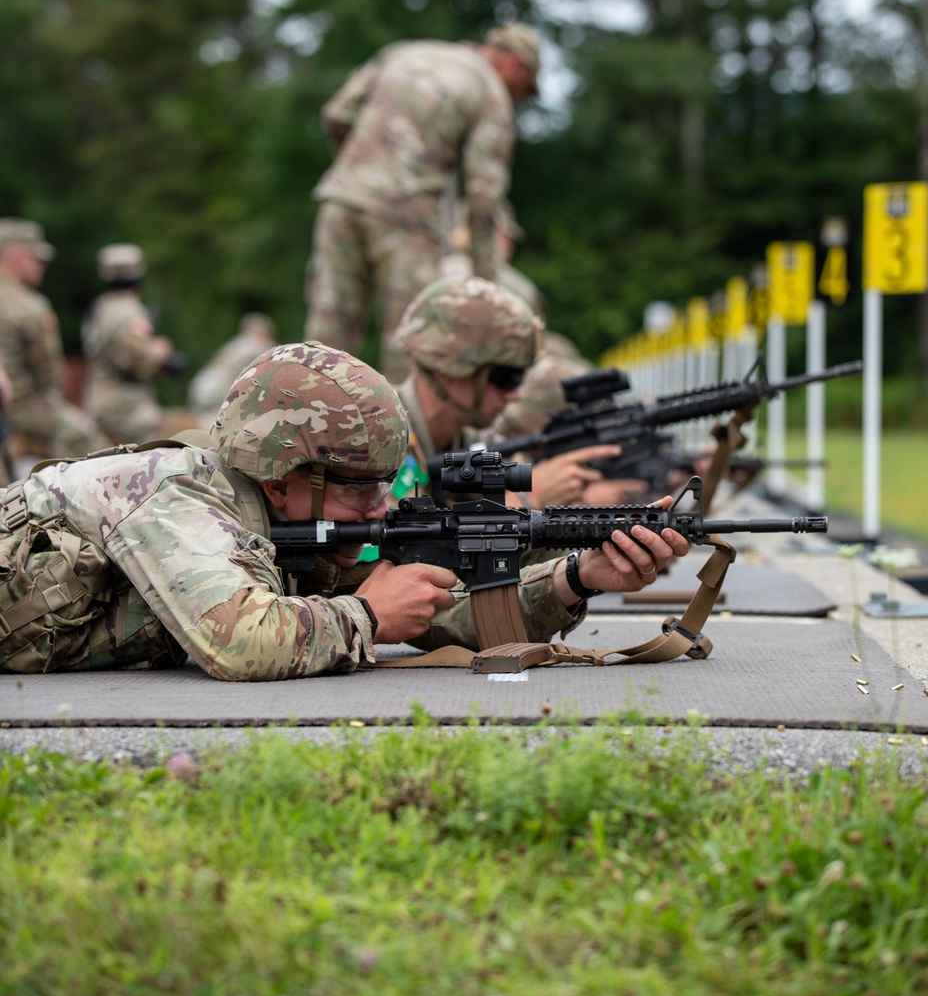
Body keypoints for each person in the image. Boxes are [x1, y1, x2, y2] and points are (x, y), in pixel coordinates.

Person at [0, 342, 687, 679]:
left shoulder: (300, 527)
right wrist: (366, 616)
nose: (381, 504)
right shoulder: (170, 491)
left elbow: (442, 618)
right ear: (280, 477)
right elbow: (239, 642)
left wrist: (578, 576)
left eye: (384, 483)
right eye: (361, 487)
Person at [305, 23, 541, 380]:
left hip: (342, 200)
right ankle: (403, 436)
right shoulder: (489, 91)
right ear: (517, 64)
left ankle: (306, 425)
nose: (519, 97)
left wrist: (362, 170)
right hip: (407, 217)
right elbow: (483, 197)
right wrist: (487, 285)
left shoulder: (403, 51)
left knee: (327, 334)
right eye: (524, 88)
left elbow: (338, 113)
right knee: (410, 341)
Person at [391, 276, 647, 509]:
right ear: (447, 368)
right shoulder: (376, 434)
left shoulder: (475, 441)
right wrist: (531, 500)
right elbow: (391, 551)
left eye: (521, 378)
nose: (514, 395)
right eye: (506, 378)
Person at [0, 218, 102, 473]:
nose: (42, 266)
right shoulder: (29, 306)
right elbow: (49, 374)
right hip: (21, 406)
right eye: (36, 258)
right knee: (88, 440)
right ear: (14, 255)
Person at [82, 244, 178, 445]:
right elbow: (139, 363)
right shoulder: (130, 312)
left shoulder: (99, 308)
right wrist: (159, 352)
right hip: (128, 410)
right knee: (158, 459)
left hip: (99, 402)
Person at [438, 200, 545, 316]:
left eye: (509, 237)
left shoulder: (439, 270)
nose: (509, 243)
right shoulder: (517, 286)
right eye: (501, 235)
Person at [189, 312, 276, 420]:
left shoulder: (236, 343)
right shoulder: (254, 343)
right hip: (217, 390)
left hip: (201, 386)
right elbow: (276, 360)